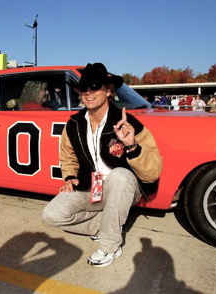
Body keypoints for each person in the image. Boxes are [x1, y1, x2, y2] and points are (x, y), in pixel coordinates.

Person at [42, 63, 163, 267]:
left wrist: (131, 145)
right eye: (83, 88)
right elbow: (68, 155)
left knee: (119, 175)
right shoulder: (73, 123)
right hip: (91, 188)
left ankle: (110, 246)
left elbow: (152, 173)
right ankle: (106, 226)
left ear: (108, 91)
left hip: (124, 188)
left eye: (95, 86)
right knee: (52, 215)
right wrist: (70, 176)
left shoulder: (128, 123)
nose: (88, 92)